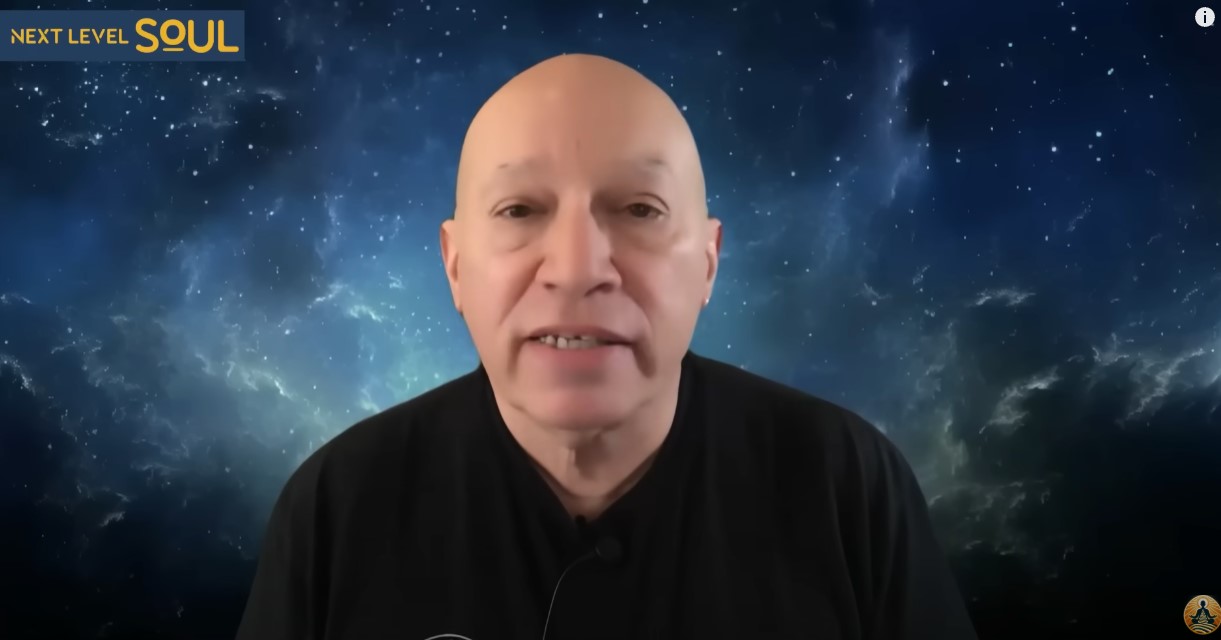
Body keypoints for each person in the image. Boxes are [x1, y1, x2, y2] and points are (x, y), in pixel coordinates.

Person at [234, 53, 978, 640]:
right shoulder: (337, 508)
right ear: (455, 266)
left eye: (639, 209)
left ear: (708, 262)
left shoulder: (845, 485)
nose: (577, 267)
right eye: (519, 209)